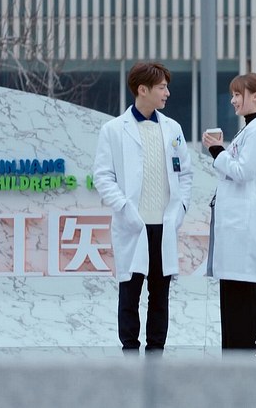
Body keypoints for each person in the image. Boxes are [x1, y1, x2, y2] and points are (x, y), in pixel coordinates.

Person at [93, 61, 193, 354]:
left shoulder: (172, 129)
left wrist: (181, 208)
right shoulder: (113, 130)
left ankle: (156, 352)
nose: (167, 93)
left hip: (165, 224)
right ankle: (129, 350)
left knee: (160, 293)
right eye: (162, 87)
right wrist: (124, 207)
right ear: (142, 90)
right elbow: (103, 176)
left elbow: (185, 173)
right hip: (133, 224)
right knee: (130, 291)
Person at [202, 73, 256, 350]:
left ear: (255, 96)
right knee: (234, 301)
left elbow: (243, 171)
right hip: (236, 231)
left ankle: (247, 364)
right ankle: (234, 362)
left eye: (237, 95)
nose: (233, 100)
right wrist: (222, 152)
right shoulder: (249, 130)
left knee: (246, 301)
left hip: (245, 228)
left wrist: (217, 151)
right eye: (233, 95)